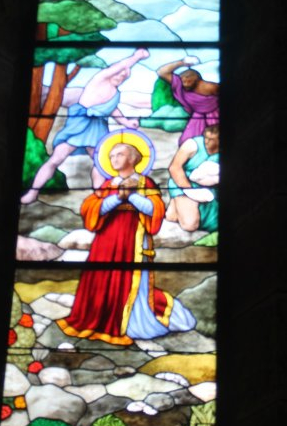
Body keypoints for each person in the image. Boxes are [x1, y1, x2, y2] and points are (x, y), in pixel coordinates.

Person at [57, 139, 196, 345]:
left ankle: (131, 323)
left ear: (133, 158)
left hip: (134, 243)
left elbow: (155, 210)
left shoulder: (145, 183)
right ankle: (100, 320)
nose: (114, 159)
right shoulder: (108, 185)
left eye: (119, 155)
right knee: (102, 278)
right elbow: (91, 209)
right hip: (106, 242)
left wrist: (131, 197)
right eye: (111, 156)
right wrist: (117, 197)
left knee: (130, 280)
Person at [21, 49, 149, 203]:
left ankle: (99, 195)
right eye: (118, 73)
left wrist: (127, 123)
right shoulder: (100, 79)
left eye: (124, 76)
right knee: (56, 159)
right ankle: (33, 192)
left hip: (98, 126)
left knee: (100, 163)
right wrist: (136, 57)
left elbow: (112, 109)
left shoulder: (116, 93)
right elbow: (121, 65)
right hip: (80, 123)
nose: (120, 76)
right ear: (111, 72)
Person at [166, 124, 220, 235]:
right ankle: (178, 202)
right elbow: (174, 168)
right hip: (183, 184)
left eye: (211, 139)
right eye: (205, 137)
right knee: (190, 225)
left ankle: (175, 209)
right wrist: (191, 191)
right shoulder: (192, 145)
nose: (206, 141)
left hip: (210, 189)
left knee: (214, 222)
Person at [157, 55, 219, 144]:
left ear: (197, 80)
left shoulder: (210, 87)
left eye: (188, 81)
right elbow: (162, 72)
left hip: (215, 116)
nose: (185, 84)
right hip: (197, 118)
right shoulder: (180, 86)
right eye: (183, 81)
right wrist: (182, 62)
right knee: (187, 140)